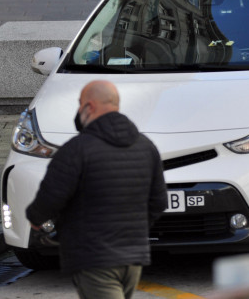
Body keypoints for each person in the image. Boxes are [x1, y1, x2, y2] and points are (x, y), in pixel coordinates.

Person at [26, 80, 167, 299]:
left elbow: (50, 198)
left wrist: (35, 218)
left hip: (93, 257)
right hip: (132, 257)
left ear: (89, 107)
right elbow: (159, 202)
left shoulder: (77, 150)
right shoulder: (146, 147)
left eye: (80, 104)